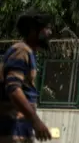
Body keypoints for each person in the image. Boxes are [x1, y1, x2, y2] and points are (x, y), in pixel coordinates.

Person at [0, 10, 53, 143]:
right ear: (33, 30)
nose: (49, 33)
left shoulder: (28, 53)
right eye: (45, 28)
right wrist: (36, 121)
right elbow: (13, 88)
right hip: (12, 134)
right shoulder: (21, 50)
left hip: (20, 133)